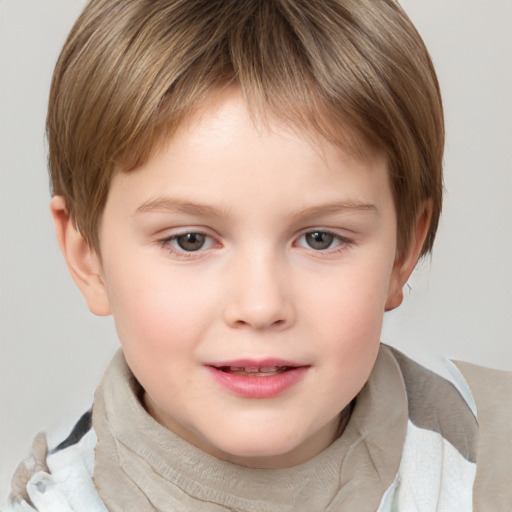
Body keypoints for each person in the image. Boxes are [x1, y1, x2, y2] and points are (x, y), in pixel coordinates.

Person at [6, 0, 511, 510]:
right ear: (87, 255)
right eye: (190, 240)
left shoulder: (496, 459)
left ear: (403, 251)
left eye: (320, 238)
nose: (261, 305)